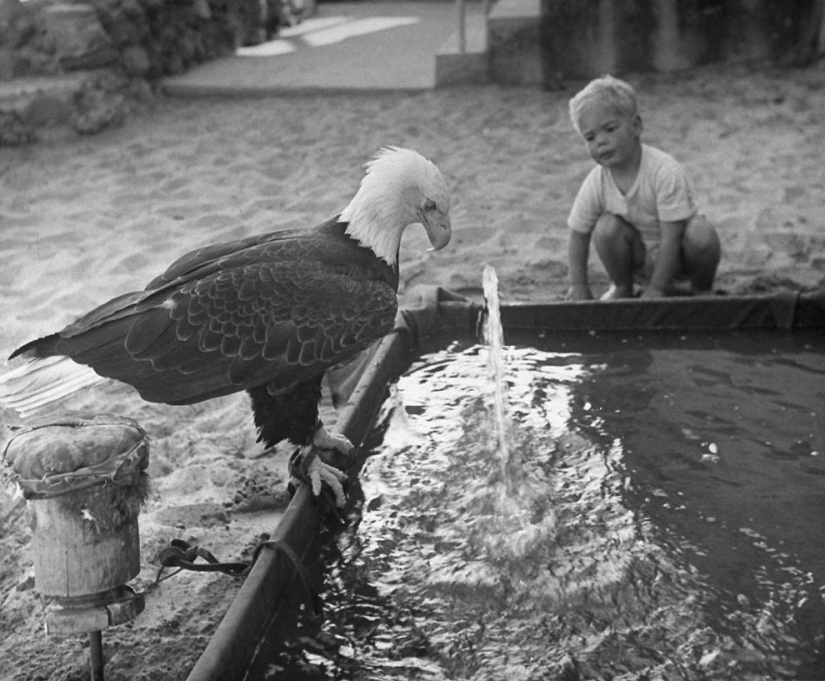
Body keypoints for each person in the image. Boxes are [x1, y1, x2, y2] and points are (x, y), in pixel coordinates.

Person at [565, 75, 721, 300]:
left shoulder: (664, 171)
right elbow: (578, 233)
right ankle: (622, 287)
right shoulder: (596, 181)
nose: (601, 141)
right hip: (641, 258)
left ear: (636, 126)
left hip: (681, 257)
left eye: (610, 129)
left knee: (701, 233)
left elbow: (672, 238)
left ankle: (701, 289)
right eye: (590, 137)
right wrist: (578, 284)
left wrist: (657, 289)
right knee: (605, 228)